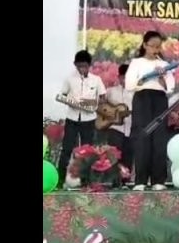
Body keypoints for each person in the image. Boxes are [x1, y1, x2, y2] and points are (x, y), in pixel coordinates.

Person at [124, 31, 175, 191]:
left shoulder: (164, 65)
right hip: (142, 100)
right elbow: (130, 84)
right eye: (152, 46)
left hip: (159, 100)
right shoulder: (137, 62)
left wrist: (161, 77)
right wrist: (143, 79)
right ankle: (140, 180)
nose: (155, 49)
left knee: (159, 138)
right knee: (142, 138)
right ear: (145, 45)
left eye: (158, 46)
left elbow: (170, 87)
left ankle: (158, 180)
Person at [57, 50, 106, 185]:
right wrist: (70, 101)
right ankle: (60, 180)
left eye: (84, 66)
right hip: (72, 118)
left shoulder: (96, 80)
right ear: (75, 65)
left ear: (89, 65)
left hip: (88, 119)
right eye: (79, 66)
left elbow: (103, 98)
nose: (82, 69)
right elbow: (63, 95)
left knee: (87, 150)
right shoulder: (69, 79)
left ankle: (86, 180)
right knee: (67, 148)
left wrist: (92, 103)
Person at [103, 63, 134, 170]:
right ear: (119, 77)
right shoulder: (110, 91)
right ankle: (112, 177)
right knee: (113, 158)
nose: (125, 80)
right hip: (115, 129)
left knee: (127, 159)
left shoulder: (136, 93)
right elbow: (102, 108)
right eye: (123, 77)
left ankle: (125, 178)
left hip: (130, 130)